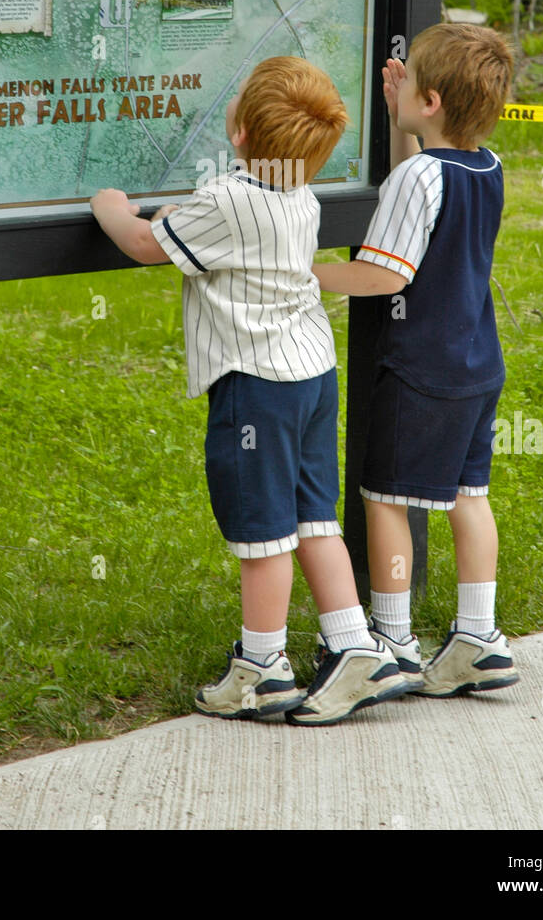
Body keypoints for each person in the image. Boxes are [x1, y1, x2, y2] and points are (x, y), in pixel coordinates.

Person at [90, 56, 408, 725]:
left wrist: (111, 209)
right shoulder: (300, 193)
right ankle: (354, 647)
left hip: (254, 385)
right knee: (314, 517)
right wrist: (191, 210)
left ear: (237, 134)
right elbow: (222, 221)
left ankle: (261, 670)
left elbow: (149, 244)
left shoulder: (228, 202)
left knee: (263, 536)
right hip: (313, 374)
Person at [312, 22, 520, 697]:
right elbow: (419, 179)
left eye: (410, 87)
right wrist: (404, 119)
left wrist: (301, 271)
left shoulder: (420, 177)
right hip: (476, 365)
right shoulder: (482, 167)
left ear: (429, 102)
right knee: (468, 496)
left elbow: (385, 274)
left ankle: (393, 643)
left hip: (421, 370)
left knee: (386, 498)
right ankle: (478, 639)